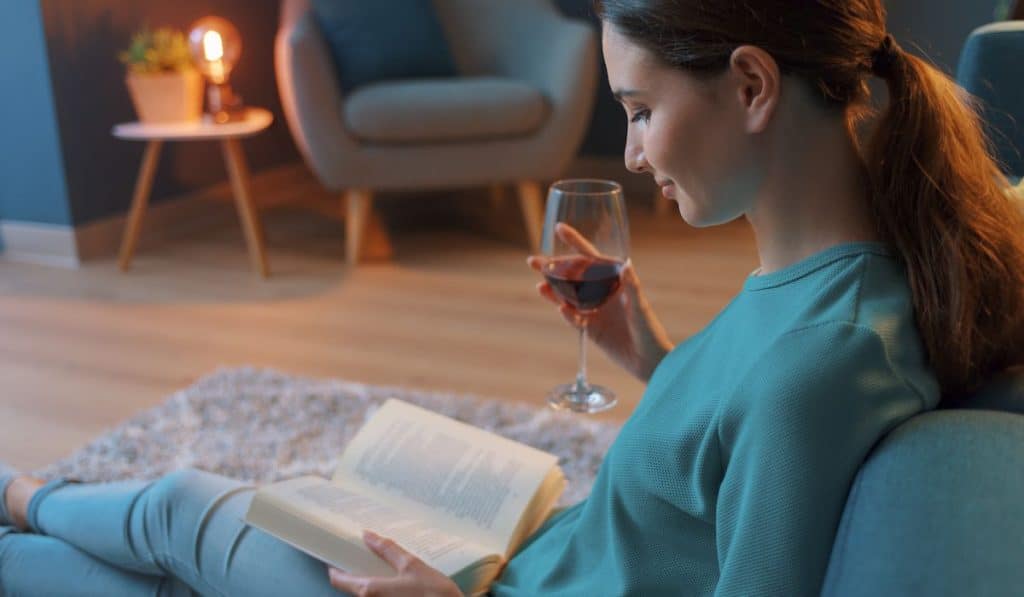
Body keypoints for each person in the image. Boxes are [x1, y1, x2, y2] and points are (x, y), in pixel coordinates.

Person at [4, 0, 1024, 594]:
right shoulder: (838, 281)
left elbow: (775, 440)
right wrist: (646, 352)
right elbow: (730, 456)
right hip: (528, 560)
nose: (628, 151)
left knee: (187, 507)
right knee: (261, 509)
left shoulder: (826, 357)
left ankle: (18, 501)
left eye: (638, 110)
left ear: (751, 87)